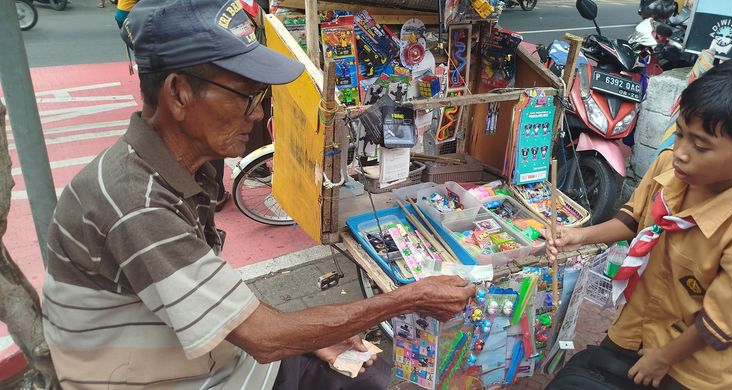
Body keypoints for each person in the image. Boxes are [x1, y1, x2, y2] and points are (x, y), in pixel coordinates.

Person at [40, 1, 476, 389]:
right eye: (247, 96)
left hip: (211, 355)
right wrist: (407, 298)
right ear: (178, 93)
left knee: (366, 374)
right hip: (173, 375)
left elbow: (226, 302)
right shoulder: (135, 202)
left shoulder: (186, 167)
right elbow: (264, 338)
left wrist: (312, 336)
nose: (259, 113)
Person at [545, 56, 732, 389]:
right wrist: (577, 235)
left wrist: (664, 358)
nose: (681, 151)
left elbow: (720, 325)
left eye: (700, 146)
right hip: (638, 326)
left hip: (697, 366)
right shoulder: (670, 166)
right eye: (680, 134)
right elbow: (633, 219)